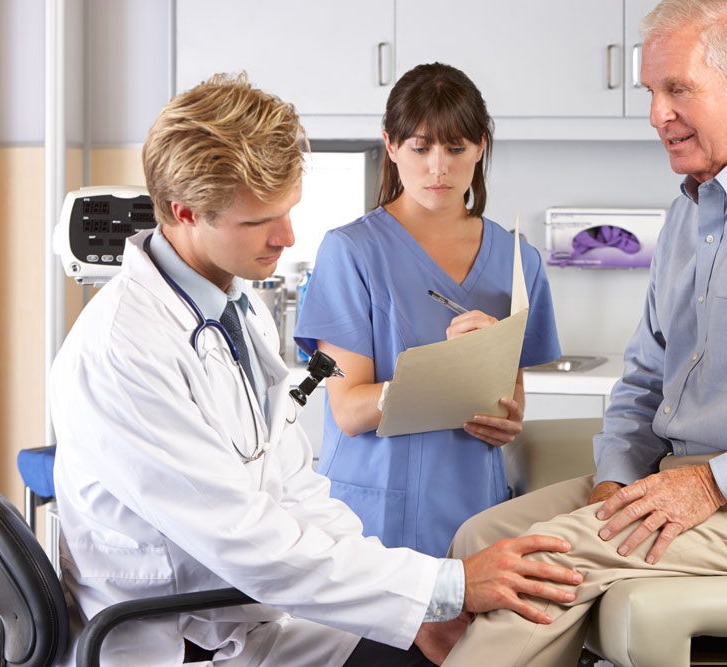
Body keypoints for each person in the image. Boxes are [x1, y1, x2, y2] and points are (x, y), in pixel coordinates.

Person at [438, 1, 727, 665]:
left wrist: (710, 485)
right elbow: (644, 376)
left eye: (678, 89)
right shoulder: (690, 213)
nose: (658, 114)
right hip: (684, 476)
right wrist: (614, 478)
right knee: (478, 538)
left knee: (550, 560)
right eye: (652, 92)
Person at [50, 72, 584, 667]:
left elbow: (294, 486)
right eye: (259, 222)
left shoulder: (231, 310)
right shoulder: (127, 349)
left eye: (288, 211)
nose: (287, 237)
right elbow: (246, 540)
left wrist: (413, 611)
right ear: (184, 212)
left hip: (249, 614)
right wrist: (444, 588)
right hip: (181, 638)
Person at [294, 62, 561, 558]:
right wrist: (447, 373)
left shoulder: (517, 260)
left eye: (456, 148)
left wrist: (507, 418)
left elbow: (511, 406)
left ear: (481, 146)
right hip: (374, 518)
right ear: (391, 146)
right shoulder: (350, 252)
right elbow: (349, 410)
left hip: (475, 510)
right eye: (420, 147)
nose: (438, 168)